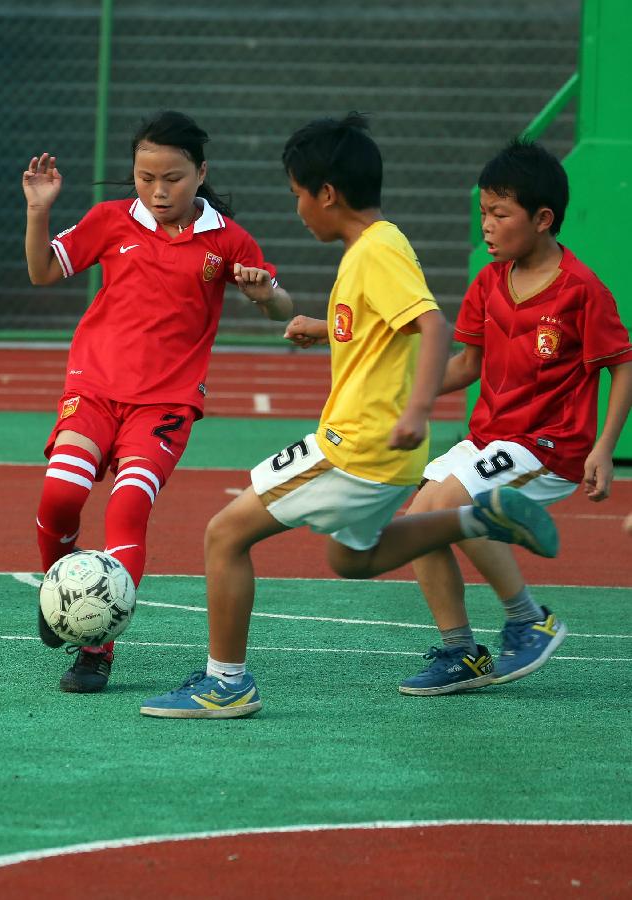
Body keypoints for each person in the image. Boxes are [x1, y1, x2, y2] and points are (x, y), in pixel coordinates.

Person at [139, 114, 560, 720]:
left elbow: (432, 324)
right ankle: (476, 518)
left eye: (297, 196)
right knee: (352, 560)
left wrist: (418, 407)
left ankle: (225, 683)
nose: (298, 210)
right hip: (389, 455)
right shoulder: (377, 246)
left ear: (327, 194)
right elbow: (379, 332)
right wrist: (323, 328)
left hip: (355, 446)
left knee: (224, 534)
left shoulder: (375, 253)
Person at [23, 110, 293, 693]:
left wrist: (264, 290)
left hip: (165, 404)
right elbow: (43, 271)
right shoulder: (110, 221)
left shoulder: (227, 239)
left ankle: (96, 647)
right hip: (93, 387)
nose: (157, 190)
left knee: (127, 511)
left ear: (201, 172)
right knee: (60, 495)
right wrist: (39, 207)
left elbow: (279, 306)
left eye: (171, 177)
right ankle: (61, 594)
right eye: (145, 177)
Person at [398, 138, 632, 696]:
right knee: (415, 525)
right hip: (493, 438)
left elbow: (622, 365)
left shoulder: (581, 291)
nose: (487, 225)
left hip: (549, 446)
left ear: (543, 218)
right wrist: (410, 393)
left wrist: (604, 446)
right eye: (483, 213)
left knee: (459, 504)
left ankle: (529, 619)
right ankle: (462, 652)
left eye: (500, 214)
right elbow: (468, 365)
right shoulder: (487, 281)